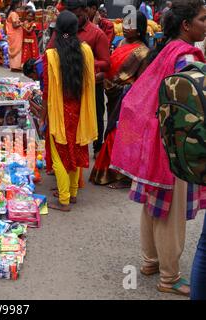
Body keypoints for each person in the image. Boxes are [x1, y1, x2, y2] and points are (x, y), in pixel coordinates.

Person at [110, 0, 206, 296]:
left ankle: (150, 262)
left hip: (157, 136)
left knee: (156, 203)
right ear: (186, 25)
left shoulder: (167, 49)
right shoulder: (186, 56)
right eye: (203, 19)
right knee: (171, 210)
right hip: (176, 140)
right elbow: (190, 100)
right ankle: (170, 277)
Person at [41, 10, 97, 212]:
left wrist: (43, 116)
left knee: (60, 157)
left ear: (58, 30)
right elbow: (89, 83)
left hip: (59, 112)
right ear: (75, 30)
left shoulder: (51, 55)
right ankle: (72, 193)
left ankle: (63, 200)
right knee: (75, 150)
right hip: (80, 112)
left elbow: (47, 90)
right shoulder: (86, 52)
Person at [89, 11, 150, 188]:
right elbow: (110, 68)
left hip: (127, 98)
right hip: (112, 93)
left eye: (130, 25)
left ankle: (123, 177)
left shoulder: (143, 52)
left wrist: (126, 91)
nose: (125, 27)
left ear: (139, 30)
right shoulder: (121, 43)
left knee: (119, 136)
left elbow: (142, 83)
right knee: (112, 133)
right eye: (124, 23)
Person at [47, 0, 110, 158]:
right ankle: (67, 155)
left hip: (90, 83)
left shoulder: (96, 33)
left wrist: (84, 62)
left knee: (94, 116)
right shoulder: (64, 30)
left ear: (86, 11)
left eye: (77, 14)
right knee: (67, 123)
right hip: (66, 83)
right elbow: (50, 50)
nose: (73, 17)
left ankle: (96, 148)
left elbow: (106, 62)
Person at [6, 0, 24, 71]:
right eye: (20, 3)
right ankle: (16, 67)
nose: (21, 4)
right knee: (17, 49)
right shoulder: (13, 13)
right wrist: (21, 24)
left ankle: (15, 66)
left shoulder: (12, 13)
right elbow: (14, 25)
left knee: (15, 49)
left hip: (13, 34)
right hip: (15, 34)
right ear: (16, 4)